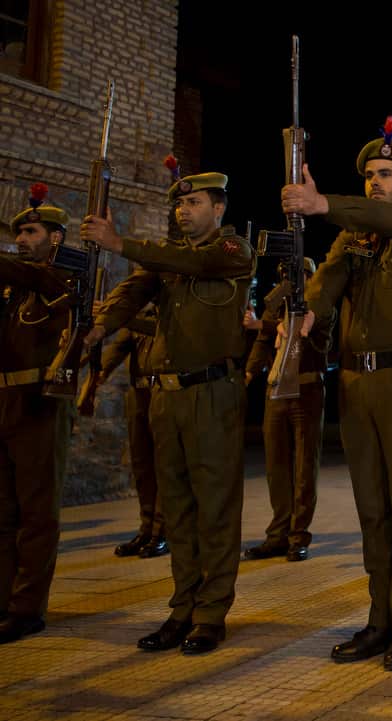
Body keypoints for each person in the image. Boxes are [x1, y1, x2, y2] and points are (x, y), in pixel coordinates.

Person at [283, 118, 392, 672]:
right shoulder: (353, 241)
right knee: (373, 510)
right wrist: (302, 315)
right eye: (371, 175)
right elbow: (324, 284)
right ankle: (379, 620)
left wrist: (322, 201)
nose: (377, 182)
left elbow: (380, 217)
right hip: (356, 383)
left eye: (387, 174)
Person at [85, 169, 254, 655]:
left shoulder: (231, 251)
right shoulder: (167, 259)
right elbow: (134, 292)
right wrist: (97, 329)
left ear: (218, 209)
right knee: (176, 510)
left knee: (215, 510)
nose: (184, 210)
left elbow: (189, 262)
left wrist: (120, 242)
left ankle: (210, 614)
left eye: (195, 202)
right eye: (180, 205)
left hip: (212, 395)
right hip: (166, 397)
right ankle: (182, 608)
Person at [0, 187, 75, 644]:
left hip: (37, 400)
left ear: (56, 237)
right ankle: (3, 600)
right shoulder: (14, 284)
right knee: (4, 511)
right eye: (19, 233)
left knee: (36, 512)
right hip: (4, 400)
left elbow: (49, 288)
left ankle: (28, 607)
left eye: (31, 231)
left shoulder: (65, 277)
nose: (23, 239)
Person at [242, 258, 332, 563]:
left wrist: (281, 321)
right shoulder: (276, 305)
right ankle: (278, 534)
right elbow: (263, 340)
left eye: (300, 275)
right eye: (287, 274)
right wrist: (249, 373)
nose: (293, 280)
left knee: (305, 467)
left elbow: (317, 336)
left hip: (307, 387)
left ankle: (298, 536)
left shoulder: (319, 305)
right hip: (276, 388)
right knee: (276, 466)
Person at [92, 307, 168, 559]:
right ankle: (146, 528)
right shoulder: (140, 313)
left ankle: (162, 531)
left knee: (163, 463)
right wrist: (100, 371)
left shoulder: (173, 310)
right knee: (142, 463)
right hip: (139, 392)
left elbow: (159, 329)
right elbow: (121, 345)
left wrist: (121, 315)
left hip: (163, 391)